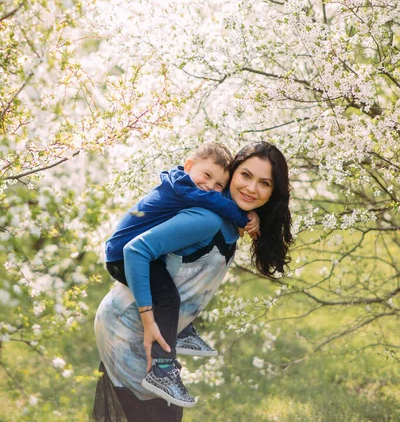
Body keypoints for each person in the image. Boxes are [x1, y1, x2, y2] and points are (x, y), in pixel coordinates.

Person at [93, 142, 294, 422]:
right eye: (245, 176)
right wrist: (149, 321)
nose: (251, 188)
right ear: (234, 175)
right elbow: (135, 251)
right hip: (132, 324)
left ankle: (180, 335)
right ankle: (165, 364)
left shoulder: (227, 217)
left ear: (274, 192)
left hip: (154, 324)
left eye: (264, 183)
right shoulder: (207, 219)